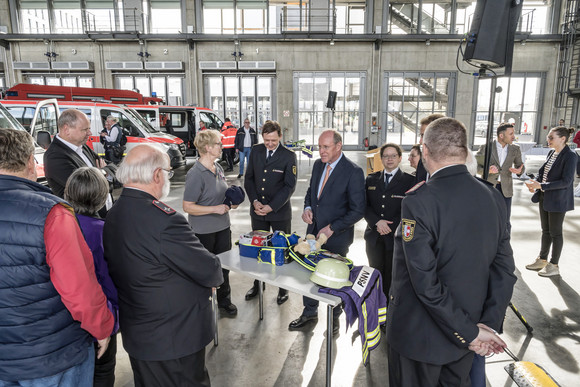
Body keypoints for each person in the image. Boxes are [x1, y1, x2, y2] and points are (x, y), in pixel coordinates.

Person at [386, 118, 516, 386]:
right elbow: (504, 269)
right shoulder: (492, 197)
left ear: (424, 152)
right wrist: (484, 328)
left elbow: (424, 281)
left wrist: (470, 333)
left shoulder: (419, 201)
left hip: (419, 340)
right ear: (465, 151)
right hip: (467, 337)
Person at [0, 129, 113, 386]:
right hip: (52, 355)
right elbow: (79, 287)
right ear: (31, 162)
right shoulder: (52, 213)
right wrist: (101, 328)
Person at [103, 144, 223, 386]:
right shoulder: (164, 221)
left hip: (140, 337)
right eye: (168, 173)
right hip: (174, 339)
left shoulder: (114, 213)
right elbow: (209, 269)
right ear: (157, 175)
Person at [289, 129, 365, 332]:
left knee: (334, 279)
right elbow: (311, 192)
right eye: (319, 146)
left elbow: (358, 210)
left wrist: (332, 228)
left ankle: (334, 318)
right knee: (308, 274)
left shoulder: (353, 172)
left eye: (325, 147)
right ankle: (309, 313)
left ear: (338, 146)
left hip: (337, 238)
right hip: (312, 233)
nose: (320, 151)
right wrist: (307, 208)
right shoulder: (318, 164)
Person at [64, 167, 120, 387]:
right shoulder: (103, 231)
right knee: (103, 370)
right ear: (100, 197)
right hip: (101, 315)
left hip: (67, 317)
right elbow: (109, 279)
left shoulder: (57, 225)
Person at [183, 130, 238, 317]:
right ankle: (203, 303)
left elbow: (220, 195)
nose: (221, 147)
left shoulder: (218, 168)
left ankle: (224, 300)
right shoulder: (195, 174)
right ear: (207, 148)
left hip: (223, 227)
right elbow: (188, 206)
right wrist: (214, 209)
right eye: (218, 144)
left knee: (223, 266)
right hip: (203, 231)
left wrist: (232, 202)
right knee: (205, 269)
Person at [244, 120, 297, 305]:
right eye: (267, 140)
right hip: (258, 210)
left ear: (280, 136)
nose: (270, 144)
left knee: (281, 250)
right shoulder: (256, 151)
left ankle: (283, 288)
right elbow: (249, 178)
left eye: (273, 140)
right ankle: (258, 284)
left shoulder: (288, 156)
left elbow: (289, 186)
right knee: (257, 247)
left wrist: (272, 206)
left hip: (279, 212)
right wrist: (255, 201)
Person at [524, 126, 577, 277]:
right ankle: (542, 259)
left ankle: (554, 265)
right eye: (548, 137)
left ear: (563, 139)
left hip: (558, 200)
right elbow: (544, 175)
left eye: (551, 137)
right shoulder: (551, 152)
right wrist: (535, 184)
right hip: (545, 197)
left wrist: (541, 185)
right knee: (545, 231)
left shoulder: (570, 156)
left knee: (555, 233)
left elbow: (566, 182)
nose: (548, 140)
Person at [364, 143, 415, 299]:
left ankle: (389, 313)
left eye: (393, 155)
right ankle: (376, 309)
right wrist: (377, 222)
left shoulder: (409, 181)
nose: (389, 159)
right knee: (375, 273)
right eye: (386, 156)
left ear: (400, 158)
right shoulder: (371, 179)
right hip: (374, 237)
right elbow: (364, 206)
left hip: (395, 238)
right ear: (381, 159)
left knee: (392, 276)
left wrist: (390, 226)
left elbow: (409, 210)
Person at [44, 108, 107, 198]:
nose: (90, 133)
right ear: (66, 130)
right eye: (85, 129)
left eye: (89, 129)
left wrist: (102, 174)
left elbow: (111, 166)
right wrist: (102, 173)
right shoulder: (55, 157)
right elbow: (85, 189)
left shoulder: (82, 146)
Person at [475, 122, 525, 232]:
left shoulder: (515, 149)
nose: (513, 136)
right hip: (489, 187)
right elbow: (475, 166)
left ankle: (504, 247)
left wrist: (519, 171)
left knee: (505, 221)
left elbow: (520, 166)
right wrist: (487, 170)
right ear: (501, 135)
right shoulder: (486, 147)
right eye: (511, 134)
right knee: (487, 218)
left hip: (505, 189)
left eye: (513, 133)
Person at [416, 113, 445, 182]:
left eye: (424, 136)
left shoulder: (453, 165)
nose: (420, 141)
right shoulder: (422, 162)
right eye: (421, 135)